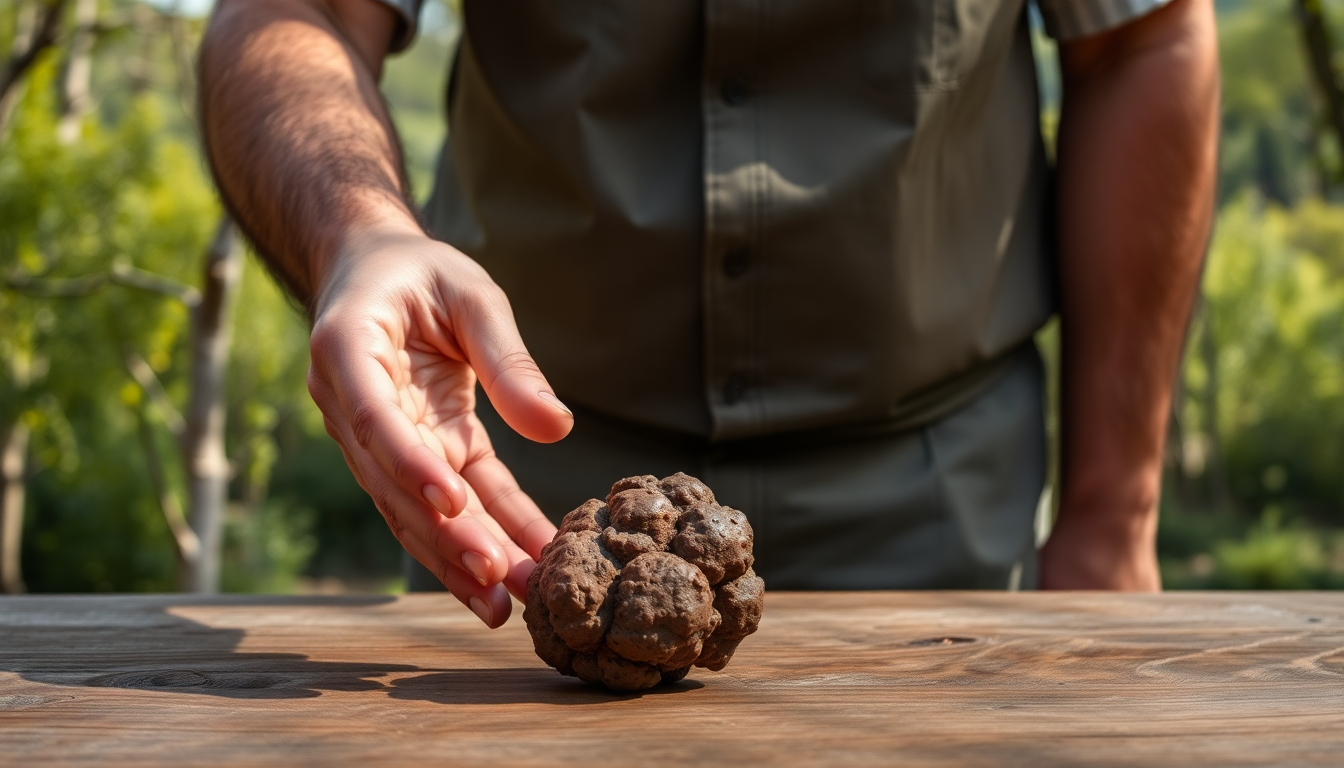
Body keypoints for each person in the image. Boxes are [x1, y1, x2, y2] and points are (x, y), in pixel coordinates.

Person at [199, 0, 1218, 627]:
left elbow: (1141, 36)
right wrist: (360, 234)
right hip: (518, 504)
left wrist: (1111, 517)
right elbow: (299, 11)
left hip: (939, 497)